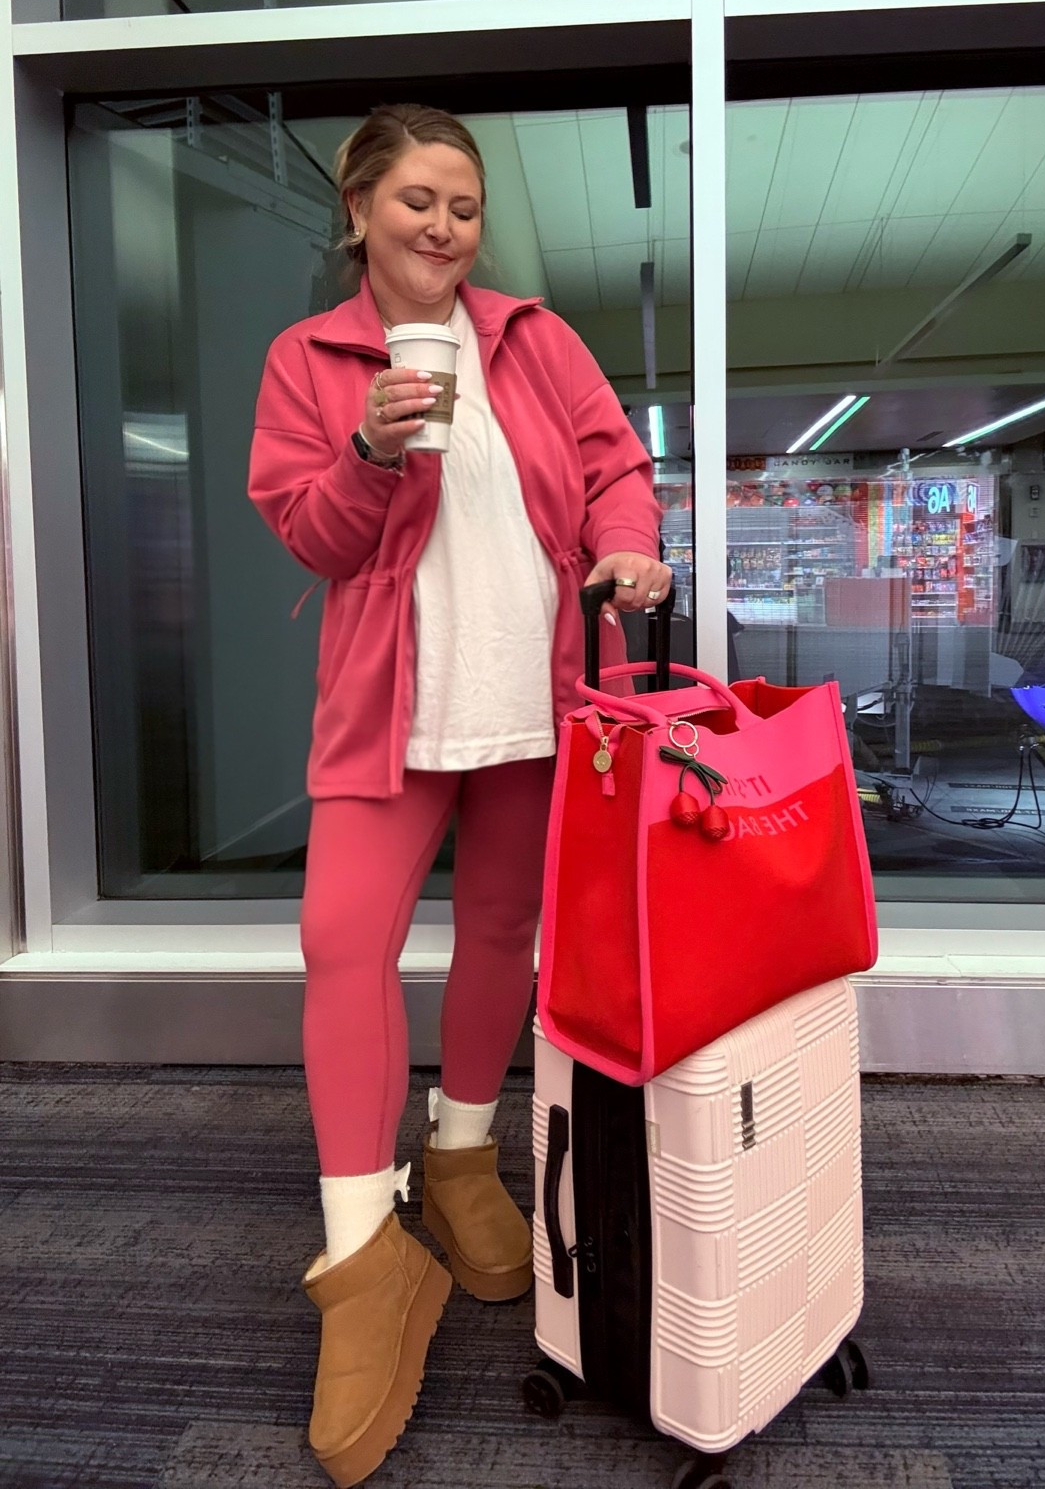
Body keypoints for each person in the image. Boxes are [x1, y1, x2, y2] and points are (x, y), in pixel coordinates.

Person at [248, 103, 670, 1488]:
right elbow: (313, 536)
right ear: (359, 209)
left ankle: (464, 1156)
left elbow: (612, 468)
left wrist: (626, 545)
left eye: (465, 205)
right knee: (340, 944)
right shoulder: (308, 358)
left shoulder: (535, 340)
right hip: (391, 707)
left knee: (501, 933)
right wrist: (369, 450)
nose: (443, 226)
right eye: (417, 199)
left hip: (535, 697)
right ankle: (364, 1253)